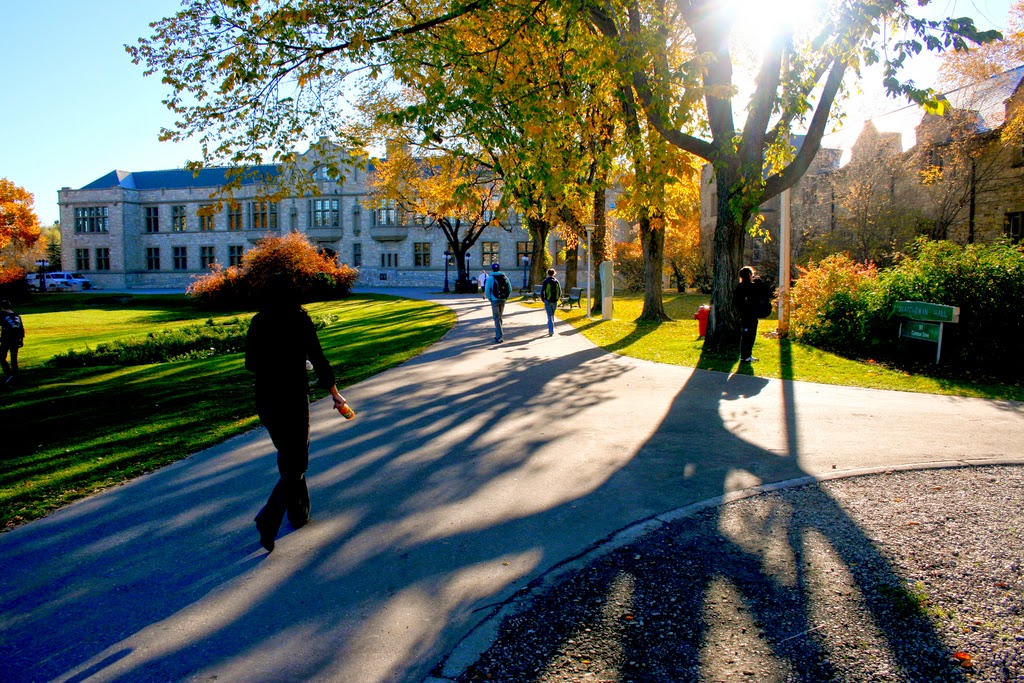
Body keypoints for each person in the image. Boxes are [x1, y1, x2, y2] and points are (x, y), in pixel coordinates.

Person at [245, 274, 349, 552]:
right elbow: (318, 358)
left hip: (265, 397)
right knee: (297, 462)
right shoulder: (299, 319)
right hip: (291, 397)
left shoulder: (259, 321)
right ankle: (269, 518)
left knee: (287, 455)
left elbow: (251, 364)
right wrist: (335, 394)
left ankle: (298, 514)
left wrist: (277, 362)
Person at [734, 266, 759, 363]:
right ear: (749, 275)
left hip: (743, 315)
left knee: (745, 335)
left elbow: (736, 301)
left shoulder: (739, 287)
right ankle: (746, 355)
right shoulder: (752, 287)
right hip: (752, 315)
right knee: (750, 336)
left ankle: (745, 355)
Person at [0, 300, 25, 386]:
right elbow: (21, 327)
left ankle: (9, 374)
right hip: (16, 338)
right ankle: (15, 375)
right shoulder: (16, 315)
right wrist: (21, 339)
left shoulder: (2, 314)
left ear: (2, 306)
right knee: (14, 358)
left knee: (2, 357)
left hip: (6, 339)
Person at [483, 262, 509, 343]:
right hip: (503, 299)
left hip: (494, 299)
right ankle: (498, 334)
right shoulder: (504, 277)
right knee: (499, 317)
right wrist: (506, 297)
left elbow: (487, 290)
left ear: (492, 269)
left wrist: (490, 299)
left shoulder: (490, 278)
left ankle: (499, 336)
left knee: (496, 318)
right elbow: (510, 288)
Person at [540, 268, 562, 336]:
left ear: (548, 273)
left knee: (549, 316)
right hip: (555, 301)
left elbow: (542, 291)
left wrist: (543, 299)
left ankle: (551, 330)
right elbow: (560, 291)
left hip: (548, 300)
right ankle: (551, 329)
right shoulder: (556, 281)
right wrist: (557, 298)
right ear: (554, 273)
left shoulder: (546, 281)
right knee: (552, 315)